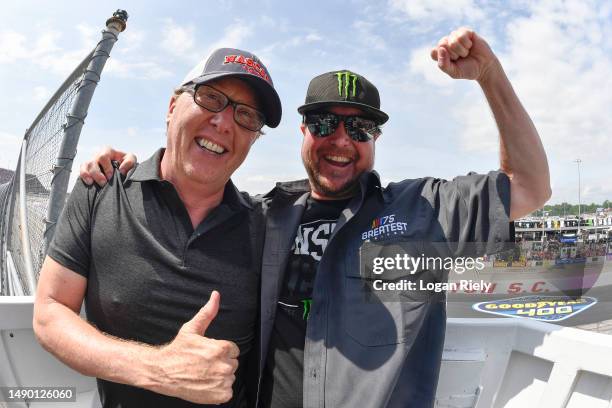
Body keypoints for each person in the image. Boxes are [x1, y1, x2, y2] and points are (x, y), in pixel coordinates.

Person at [82, 28, 550, 408]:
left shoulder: (422, 211)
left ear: (376, 138)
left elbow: (530, 187)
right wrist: (121, 168)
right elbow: (192, 186)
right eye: (325, 123)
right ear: (303, 132)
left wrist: (488, 74)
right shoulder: (263, 215)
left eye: (360, 127)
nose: (341, 140)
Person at [33, 48, 282, 408]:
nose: (225, 123)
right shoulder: (102, 190)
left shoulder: (268, 225)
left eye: (246, 115)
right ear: (172, 107)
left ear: (254, 138)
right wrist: (158, 369)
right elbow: (50, 311)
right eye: (211, 98)